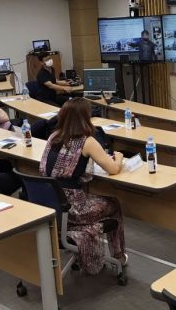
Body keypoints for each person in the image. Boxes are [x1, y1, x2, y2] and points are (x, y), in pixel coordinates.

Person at [39, 98, 127, 274]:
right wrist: (119, 158)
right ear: (86, 118)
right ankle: (118, 256)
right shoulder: (87, 141)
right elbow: (113, 169)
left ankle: (81, 239)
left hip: (50, 203)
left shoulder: (53, 136)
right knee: (114, 204)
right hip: (74, 210)